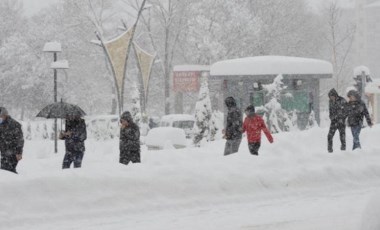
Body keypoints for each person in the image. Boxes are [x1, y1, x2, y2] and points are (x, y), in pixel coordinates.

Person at [0, 107, 24, 173]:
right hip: (4, 152)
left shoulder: (14, 125)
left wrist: (19, 152)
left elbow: (19, 140)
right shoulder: (1, 124)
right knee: (5, 170)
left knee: (8, 170)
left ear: (5, 115)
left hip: (13, 152)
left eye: (0, 116)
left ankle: (14, 182)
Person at [327, 88, 347, 153]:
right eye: (330, 97)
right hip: (333, 122)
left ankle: (343, 150)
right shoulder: (330, 102)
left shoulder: (342, 100)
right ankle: (330, 150)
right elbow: (330, 111)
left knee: (342, 137)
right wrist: (331, 117)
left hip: (341, 122)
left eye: (332, 96)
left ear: (335, 95)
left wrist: (342, 118)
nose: (331, 98)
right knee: (329, 136)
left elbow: (347, 111)